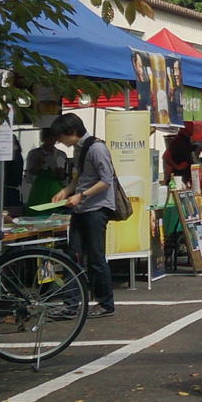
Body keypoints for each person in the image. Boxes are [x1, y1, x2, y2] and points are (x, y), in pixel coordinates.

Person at [49, 113, 116, 317]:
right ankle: (71, 305)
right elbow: (82, 177)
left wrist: (81, 195)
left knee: (96, 257)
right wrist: (66, 191)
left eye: (61, 136)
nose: (60, 141)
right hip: (80, 208)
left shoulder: (97, 148)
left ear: (73, 132)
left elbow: (106, 180)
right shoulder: (79, 148)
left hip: (96, 208)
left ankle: (106, 303)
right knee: (73, 256)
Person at [24, 128, 70, 212]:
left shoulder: (61, 154)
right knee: (37, 212)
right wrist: (40, 163)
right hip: (40, 189)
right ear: (43, 138)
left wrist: (60, 174)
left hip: (56, 187)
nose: (51, 141)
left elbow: (65, 177)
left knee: (57, 212)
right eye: (49, 138)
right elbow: (30, 174)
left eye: (54, 138)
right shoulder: (34, 153)